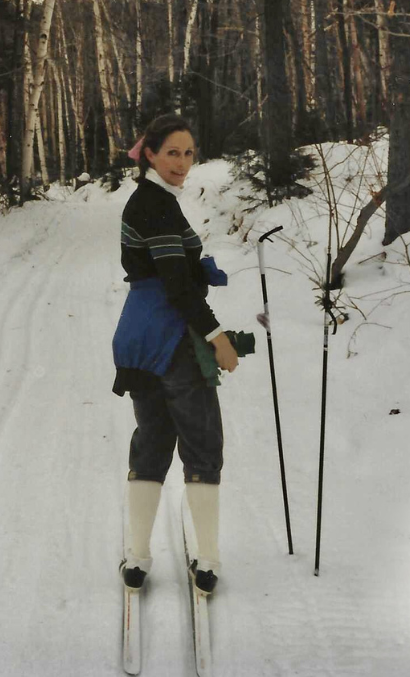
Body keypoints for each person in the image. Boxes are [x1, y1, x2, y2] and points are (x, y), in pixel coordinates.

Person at [112, 113, 238, 596]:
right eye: (172, 153)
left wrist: (194, 266)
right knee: (202, 443)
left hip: (136, 336)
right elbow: (176, 286)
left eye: (188, 153)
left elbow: (165, 268)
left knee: (152, 439)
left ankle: (137, 559)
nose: (182, 163)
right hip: (170, 336)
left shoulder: (149, 201)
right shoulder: (157, 205)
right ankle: (206, 562)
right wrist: (216, 335)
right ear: (149, 153)